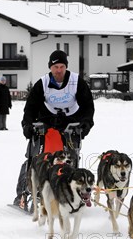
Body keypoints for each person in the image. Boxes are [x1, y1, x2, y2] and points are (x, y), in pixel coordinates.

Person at [12, 50, 95, 207]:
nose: (59, 70)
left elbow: (88, 107)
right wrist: (27, 125)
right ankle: (23, 193)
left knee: (70, 159)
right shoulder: (42, 83)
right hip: (47, 121)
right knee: (36, 158)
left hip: (71, 122)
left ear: (66, 67)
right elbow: (30, 108)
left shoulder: (77, 82)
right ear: (50, 67)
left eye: (62, 66)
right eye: (55, 67)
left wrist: (86, 124)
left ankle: (72, 193)